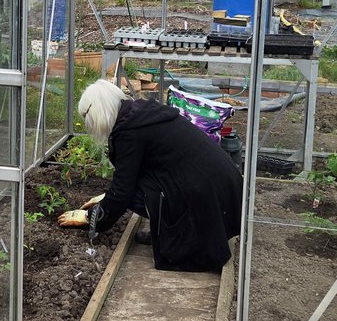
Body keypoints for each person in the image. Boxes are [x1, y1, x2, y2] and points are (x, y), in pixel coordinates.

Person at [75, 79, 242, 272]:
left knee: (135, 193)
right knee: (142, 185)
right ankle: (165, 231)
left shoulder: (129, 132)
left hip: (208, 196)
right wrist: (106, 199)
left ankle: (183, 239)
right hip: (223, 188)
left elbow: (121, 193)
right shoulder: (140, 113)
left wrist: (92, 218)